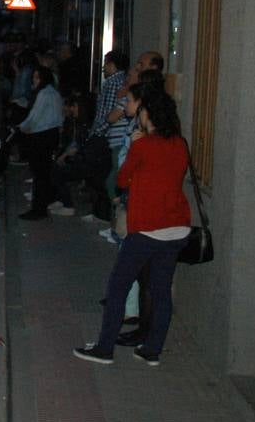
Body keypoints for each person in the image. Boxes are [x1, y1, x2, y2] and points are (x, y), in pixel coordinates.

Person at [74, 88, 190, 367]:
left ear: (147, 114)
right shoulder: (180, 144)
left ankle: (104, 348)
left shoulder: (143, 145)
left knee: (118, 287)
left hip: (147, 228)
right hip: (176, 227)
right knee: (161, 290)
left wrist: (136, 145)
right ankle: (152, 350)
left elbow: (123, 179)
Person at [17, 66, 66, 221]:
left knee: (39, 174)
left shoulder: (44, 93)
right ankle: (44, 202)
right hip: (51, 134)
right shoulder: (55, 93)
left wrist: (22, 128)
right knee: (44, 172)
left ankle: (38, 208)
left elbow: (34, 116)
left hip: (41, 135)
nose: (34, 81)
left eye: (37, 77)